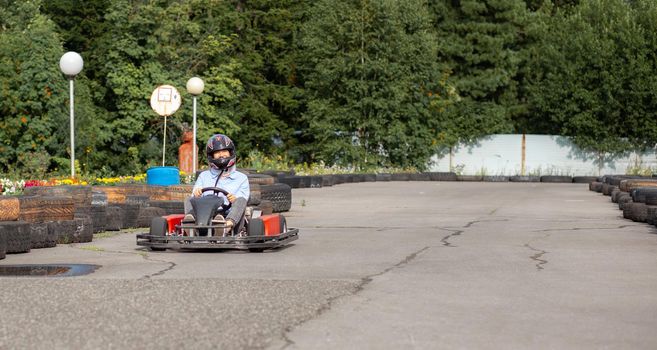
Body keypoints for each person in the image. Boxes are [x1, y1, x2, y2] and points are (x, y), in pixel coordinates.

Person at [184, 134, 250, 234]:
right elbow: (195, 193)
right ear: (211, 155)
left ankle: (224, 227)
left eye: (224, 151)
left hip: (230, 216)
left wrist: (234, 199)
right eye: (217, 152)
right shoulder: (204, 176)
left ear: (230, 153)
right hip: (204, 215)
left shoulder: (241, 178)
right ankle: (191, 225)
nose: (221, 154)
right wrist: (196, 194)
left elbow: (243, 198)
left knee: (241, 200)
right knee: (189, 199)